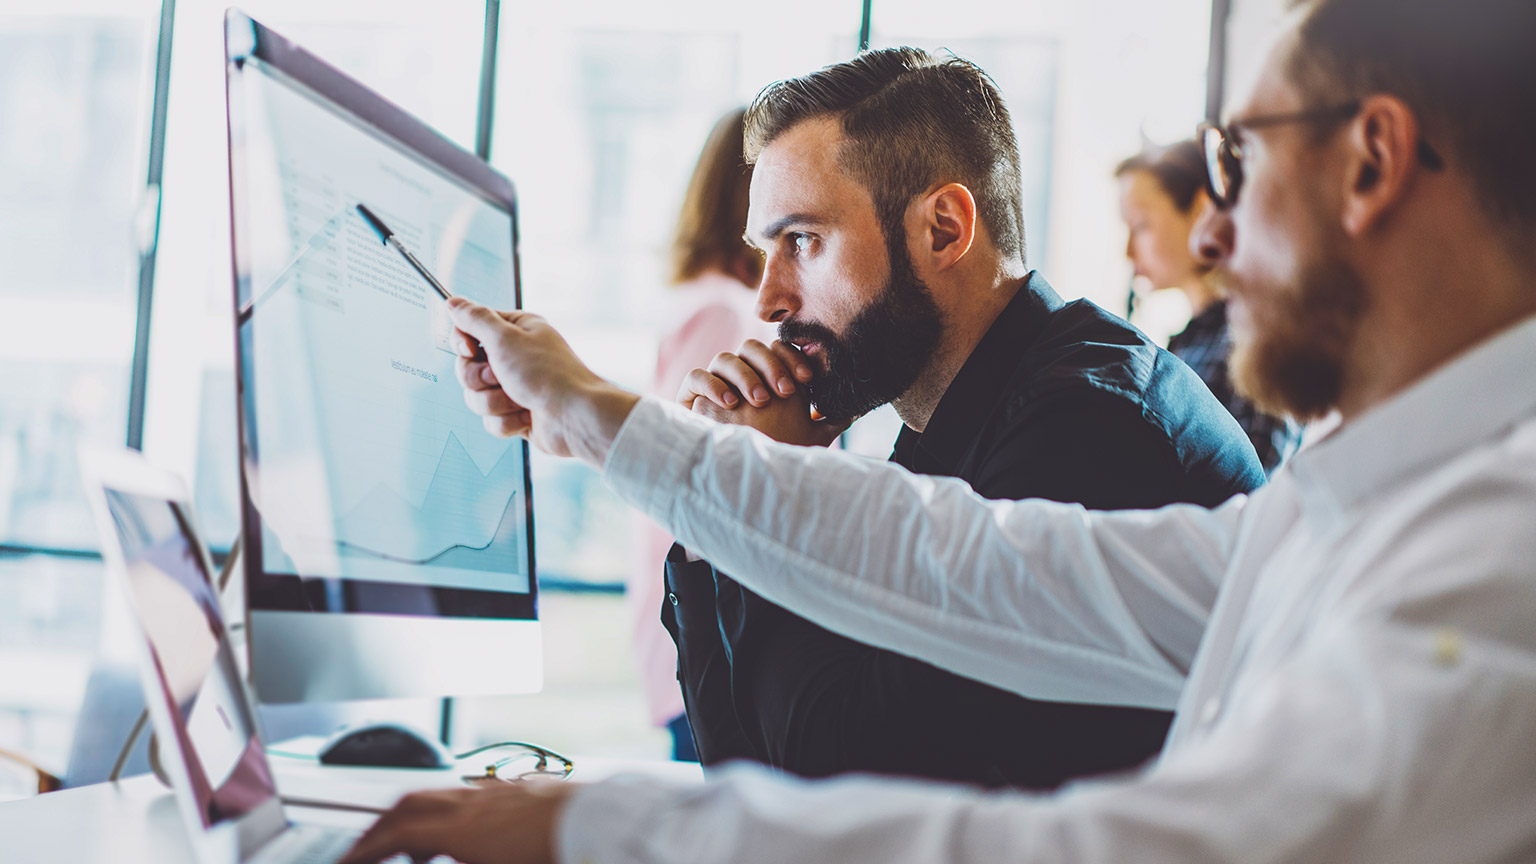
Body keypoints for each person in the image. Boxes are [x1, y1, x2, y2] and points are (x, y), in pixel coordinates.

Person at [342, 0, 1536, 861]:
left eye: (1242, 162)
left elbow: (1112, 840)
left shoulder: (1488, 553)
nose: (1208, 245)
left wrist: (604, 827)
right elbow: (965, 563)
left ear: (1371, 160)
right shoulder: (1354, 507)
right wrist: (608, 425)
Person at [657, 50, 1262, 790]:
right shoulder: (947, 422)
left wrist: (780, 488)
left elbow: (851, 794)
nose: (770, 300)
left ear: (943, 229)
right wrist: (710, 513)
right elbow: (745, 777)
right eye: (766, 251)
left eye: (804, 241)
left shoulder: (1088, 429)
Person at [628, 106, 770, 761]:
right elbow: (696, 472)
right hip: (710, 625)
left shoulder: (707, 301)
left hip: (695, 621)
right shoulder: (723, 312)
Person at [1117, 140, 1302, 473]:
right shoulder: (1190, 343)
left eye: (1140, 225)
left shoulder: (1248, 345)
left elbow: (1249, 493)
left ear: (1202, 208)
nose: (1128, 251)